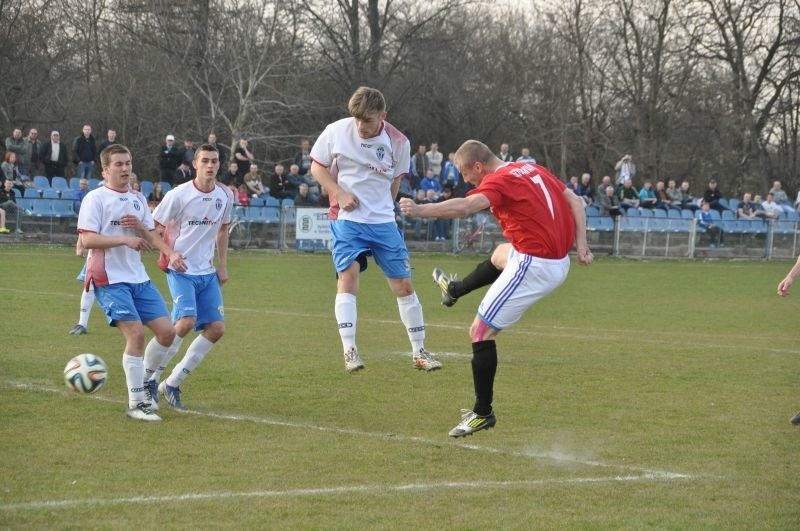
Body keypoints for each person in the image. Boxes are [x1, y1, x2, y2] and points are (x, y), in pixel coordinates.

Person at [398, 139, 592, 437]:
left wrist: (421, 210)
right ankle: (454, 289)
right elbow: (575, 201)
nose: (465, 181)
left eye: (465, 174)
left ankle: (482, 412)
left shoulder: (498, 181)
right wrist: (582, 247)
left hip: (535, 266)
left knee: (480, 332)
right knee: (501, 252)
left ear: (478, 166)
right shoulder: (529, 168)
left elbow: (466, 206)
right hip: (555, 260)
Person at [309, 86, 441, 372]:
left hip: (382, 223)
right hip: (347, 220)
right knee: (348, 279)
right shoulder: (336, 131)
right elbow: (317, 168)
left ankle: (419, 352)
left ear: (383, 115)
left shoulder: (399, 142)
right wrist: (338, 193)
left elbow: (394, 183)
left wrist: (383, 208)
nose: (360, 126)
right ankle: (350, 350)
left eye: (367, 120)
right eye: (356, 119)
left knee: (404, 285)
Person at [77, 144, 183, 421]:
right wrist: (125, 238)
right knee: (135, 335)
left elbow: (149, 234)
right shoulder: (95, 199)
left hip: (138, 278)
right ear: (105, 169)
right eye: (119, 164)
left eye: (128, 163)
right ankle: (137, 404)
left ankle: (147, 381)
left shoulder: (137, 198)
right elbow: (87, 240)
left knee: (167, 333)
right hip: (109, 279)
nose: (125, 169)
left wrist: (169, 253)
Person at [145, 144, 233, 411]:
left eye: (214, 161)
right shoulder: (178, 195)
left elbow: (222, 230)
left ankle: (172, 383)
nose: (210, 165)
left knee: (216, 329)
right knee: (185, 322)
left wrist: (223, 265)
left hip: (206, 272)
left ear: (219, 164)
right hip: (180, 268)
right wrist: (170, 253)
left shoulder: (225, 195)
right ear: (195, 164)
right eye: (204, 160)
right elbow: (152, 230)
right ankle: (149, 377)